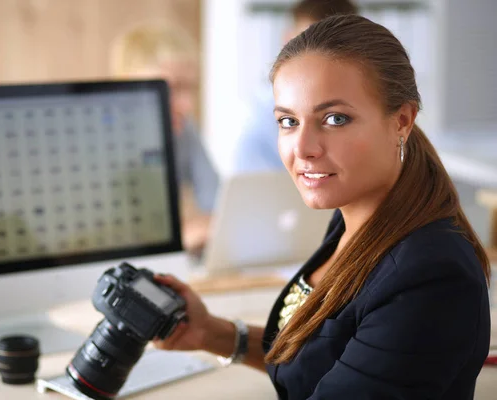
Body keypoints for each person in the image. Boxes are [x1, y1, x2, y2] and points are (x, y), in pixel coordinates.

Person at [154, 14, 491, 399]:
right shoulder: (356, 217)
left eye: (334, 119)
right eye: (288, 121)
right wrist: (212, 333)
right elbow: (327, 355)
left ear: (402, 120)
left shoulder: (429, 276)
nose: (303, 148)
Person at [110, 23, 219, 256]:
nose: (187, 105)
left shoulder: (182, 129)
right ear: (127, 85)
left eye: (191, 88)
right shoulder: (105, 142)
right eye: (173, 88)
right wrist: (179, 237)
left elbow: (217, 204)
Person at [232, 0, 358, 172]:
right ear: (287, 41)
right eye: (306, 43)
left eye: (332, 46)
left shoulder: (370, 103)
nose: (318, 58)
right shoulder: (259, 122)